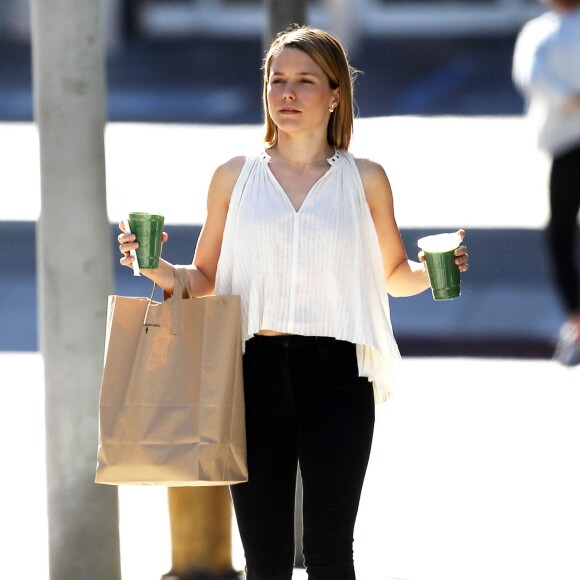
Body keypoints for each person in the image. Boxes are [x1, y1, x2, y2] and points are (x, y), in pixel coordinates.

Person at [118, 26, 469, 580]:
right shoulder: (234, 176)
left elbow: (393, 276)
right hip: (251, 374)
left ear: (335, 95)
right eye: (277, 80)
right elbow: (203, 276)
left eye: (304, 81)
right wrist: (152, 265)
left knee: (331, 550)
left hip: (338, 375)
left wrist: (433, 272)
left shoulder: (366, 179)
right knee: (267, 558)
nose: (287, 92)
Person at [513, 0, 580, 366]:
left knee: (561, 238)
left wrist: (569, 99)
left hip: (566, 149)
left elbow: (531, 76)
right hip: (565, 146)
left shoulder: (539, 32)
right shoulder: (540, 31)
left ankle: (576, 322)